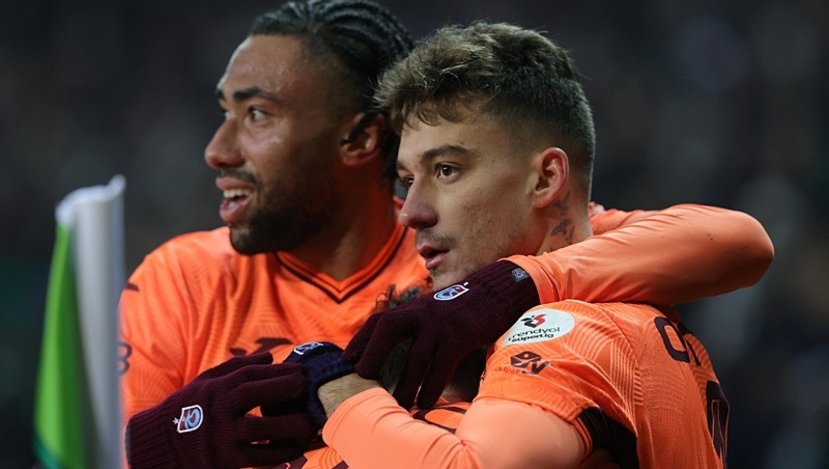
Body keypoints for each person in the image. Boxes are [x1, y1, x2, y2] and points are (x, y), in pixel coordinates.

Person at [121, 0, 773, 467]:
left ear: (358, 138)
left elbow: (737, 241)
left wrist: (513, 285)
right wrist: (152, 448)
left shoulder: (502, 271)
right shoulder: (181, 279)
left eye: (258, 114)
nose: (217, 150)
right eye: (410, 177)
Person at [289, 21, 760, 468]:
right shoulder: (601, 262)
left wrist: (340, 393)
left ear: (546, 179)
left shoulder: (568, 328)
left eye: (447, 170)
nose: (411, 212)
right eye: (408, 180)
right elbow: (723, 238)